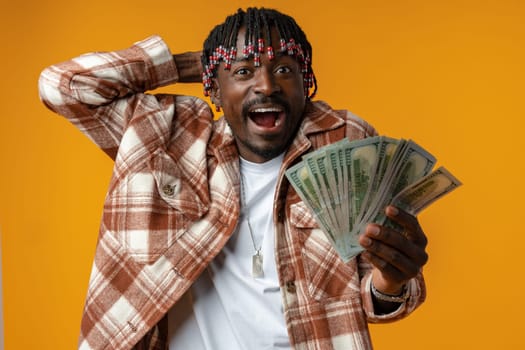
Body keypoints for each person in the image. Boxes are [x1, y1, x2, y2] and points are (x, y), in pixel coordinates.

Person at [39, 7, 428, 350]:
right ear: (213, 87)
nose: (266, 85)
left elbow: (377, 299)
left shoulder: (346, 143)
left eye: (283, 69)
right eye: (243, 71)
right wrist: (189, 64)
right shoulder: (166, 135)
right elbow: (61, 87)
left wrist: (391, 282)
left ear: (305, 83)